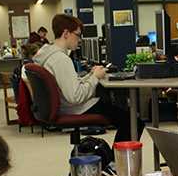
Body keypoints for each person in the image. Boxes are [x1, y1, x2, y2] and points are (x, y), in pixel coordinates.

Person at [33, 13, 140, 142]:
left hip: (65, 107)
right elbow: (75, 96)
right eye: (77, 35)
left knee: (121, 114)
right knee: (133, 122)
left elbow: (68, 86)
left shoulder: (48, 55)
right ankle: (117, 161)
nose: (79, 40)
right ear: (66, 33)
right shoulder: (61, 59)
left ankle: (116, 159)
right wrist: (95, 78)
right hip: (75, 109)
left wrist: (90, 75)